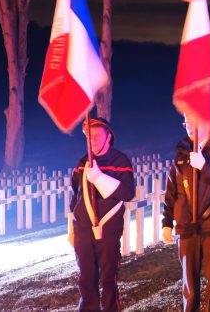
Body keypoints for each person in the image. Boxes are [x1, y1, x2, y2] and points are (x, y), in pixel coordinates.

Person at [161, 115, 210, 312]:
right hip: (186, 227)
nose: (189, 127)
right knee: (190, 286)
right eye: (186, 123)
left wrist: (205, 166)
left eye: (193, 122)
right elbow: (173, 191)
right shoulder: (181, 152)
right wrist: (167, 222)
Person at [68, 117, 136, 312]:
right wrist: (72, 227)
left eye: (97, 136)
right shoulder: (83, 162)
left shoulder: (120, 161)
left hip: (108, 229)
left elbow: (127, 193)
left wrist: (99, 178)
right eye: (89, 137)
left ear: (109, 137)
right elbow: (76, 196)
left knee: (108, 279)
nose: (92, 141)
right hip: (83, 229)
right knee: (86, 278)